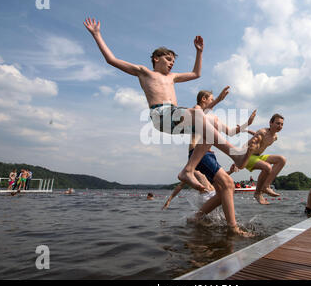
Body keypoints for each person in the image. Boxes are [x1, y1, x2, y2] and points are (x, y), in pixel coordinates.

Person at [84, 18, 260, 193]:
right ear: (155, 58)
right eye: (168, 59)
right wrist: (97, 35)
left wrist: (199, 52)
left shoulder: (172, 77)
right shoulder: (144, 72)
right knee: (198, 113)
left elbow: (196, 73)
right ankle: (235, 154)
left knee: (210, 125)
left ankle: (189, 170)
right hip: (160, 114)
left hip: (174, 119)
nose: (171, 63)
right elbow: (111, 59)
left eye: (173, 61)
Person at [180, 90, 257, 236]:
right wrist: (219, 100)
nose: (214, 101)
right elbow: (199, 112)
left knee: (225, 190)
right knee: (228, 184)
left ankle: (196, 218)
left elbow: (231, 132)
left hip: (209, 154)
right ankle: (233, 228)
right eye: (212, 99)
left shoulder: (214, 117)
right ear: (204, 99)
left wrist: (248, 123)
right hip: (199, 153)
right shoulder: (198, 112)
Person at [245, 114, 287, 205]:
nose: (280, 126)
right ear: (270, 123)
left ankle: (266, 186)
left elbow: (257, 134)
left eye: (282, 124)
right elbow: (257, 136)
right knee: (267, 167)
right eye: (277, 123)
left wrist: (247, 131)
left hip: (257, 156)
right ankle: (257, 193)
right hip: (246, 156)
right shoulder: (262, 132)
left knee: (281, 160)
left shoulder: (275, 137)